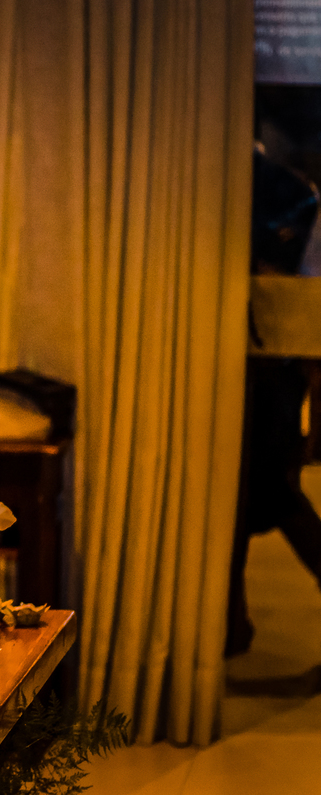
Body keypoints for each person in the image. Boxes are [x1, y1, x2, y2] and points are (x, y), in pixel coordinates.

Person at [227, 145, 321, 656]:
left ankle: (230, 626)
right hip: (270, 366)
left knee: (267, 494)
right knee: (249, 498)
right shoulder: (285, 189)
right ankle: (230, 625)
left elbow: (287, 281)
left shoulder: (282, 191)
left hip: (269, 366)